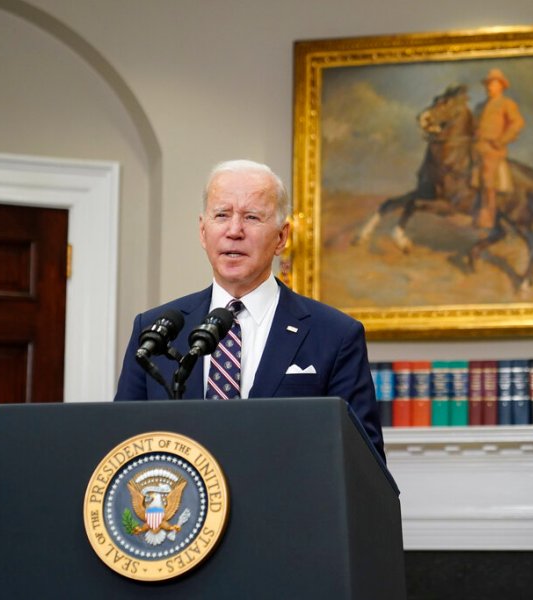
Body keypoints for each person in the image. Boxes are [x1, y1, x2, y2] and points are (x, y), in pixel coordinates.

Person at [114, 159, 385, 461]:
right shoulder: (154, 330)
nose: (234, 231)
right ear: (203, 232)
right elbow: (123, 446)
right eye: (222, 215)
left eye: (252, 217)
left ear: (281, 237)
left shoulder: (335, 335)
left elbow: (364, 461)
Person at [471, 68, 525, 229]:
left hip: (493, 149)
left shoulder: (507, 104)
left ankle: (488, 215)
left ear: (501, 86)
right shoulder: (480, 106)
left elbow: (518, 123)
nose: (489, 87)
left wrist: (502, 140)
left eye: (493, 84)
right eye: (488, 84)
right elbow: (473, 125)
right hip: (476, 147)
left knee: (488, 179)